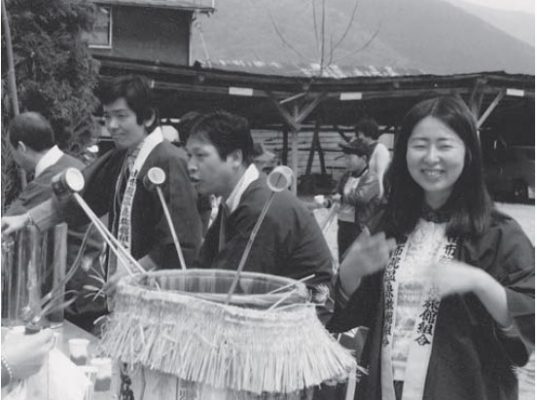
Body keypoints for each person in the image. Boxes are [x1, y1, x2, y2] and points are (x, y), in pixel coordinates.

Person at [328, 96, 534, 400]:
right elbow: (354, 316)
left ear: (468, 153)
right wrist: (350, 273)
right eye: (420, 145)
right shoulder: (391, 223)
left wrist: (480, 282)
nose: (431, 157)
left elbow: (528, 321)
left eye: (445, 145)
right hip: (384, 387)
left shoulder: (497, 233)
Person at [2, 75, 202, 330]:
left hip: (160, 301)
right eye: (107, 117)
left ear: (148, 117)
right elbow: (77, 199)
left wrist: (134, 272)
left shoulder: (169, 160)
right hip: (127, 293)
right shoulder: (121, 158)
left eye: (121, 116)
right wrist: (26, 219)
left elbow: (181, 240)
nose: (112, 125)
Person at [186, 111, 334, 321]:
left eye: (200, 156)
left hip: (301, 322)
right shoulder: (237, 198)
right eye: (189, 155)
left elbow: (230, 289)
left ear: (235, 158)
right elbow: (203, 268)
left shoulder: (261, 207)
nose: (190, 165)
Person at [4, 112, 104, 330]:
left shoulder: (52, 179)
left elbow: (7, 224)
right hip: (87, 285)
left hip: (70, 296)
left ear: (21, 147)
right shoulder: (72, 164)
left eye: (10, 149)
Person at [322, 137, 380, 262]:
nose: (346, 161)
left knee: (356, 262)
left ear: (363, 158)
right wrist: (328, 202)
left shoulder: (372, 178)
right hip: (344, 225)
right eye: (345, 158)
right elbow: (336, 193)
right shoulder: (346, 176)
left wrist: (341, 198)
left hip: (359, 227)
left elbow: (361, 198)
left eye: (350, 158)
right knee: (342, 259)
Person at [354, 118, 391, 198]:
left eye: (361, 133)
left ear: (368, 132)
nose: (359, 137)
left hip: (375, 194)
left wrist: (379, 196)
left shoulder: (380, 149)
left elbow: (380, 175)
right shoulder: (365, 149)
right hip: (364, 191)